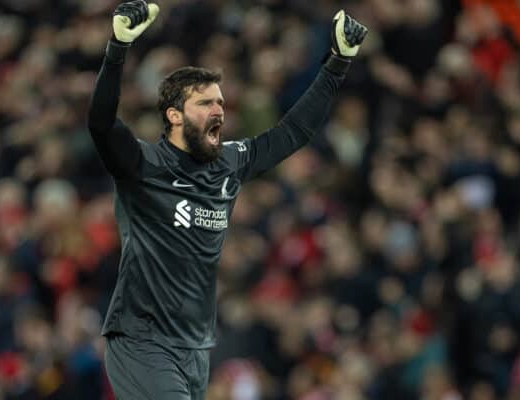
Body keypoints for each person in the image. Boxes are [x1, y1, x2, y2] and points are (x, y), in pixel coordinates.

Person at [87, 1, 368, 399]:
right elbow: (100, 123)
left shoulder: (230, 163)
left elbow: (292, 134)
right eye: (205, 103)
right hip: (142, 341)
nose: (218, 109)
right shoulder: (142, 165)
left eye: (220, 101)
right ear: (174, 116)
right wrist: (117, 48)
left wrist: (337, 64)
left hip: (196, 348)